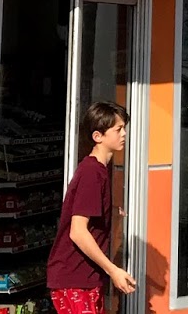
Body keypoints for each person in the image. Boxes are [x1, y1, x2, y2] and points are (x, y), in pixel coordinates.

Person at [47, 101, 136, 312]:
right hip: (74, 279)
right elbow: (78, 231)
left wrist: (111, 212)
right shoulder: (91, 172)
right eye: (118, 129)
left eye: (124, 128)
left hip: (85, 277)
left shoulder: (99, 170)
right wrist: (113, 270)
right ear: (98, 136)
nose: (124, 134)